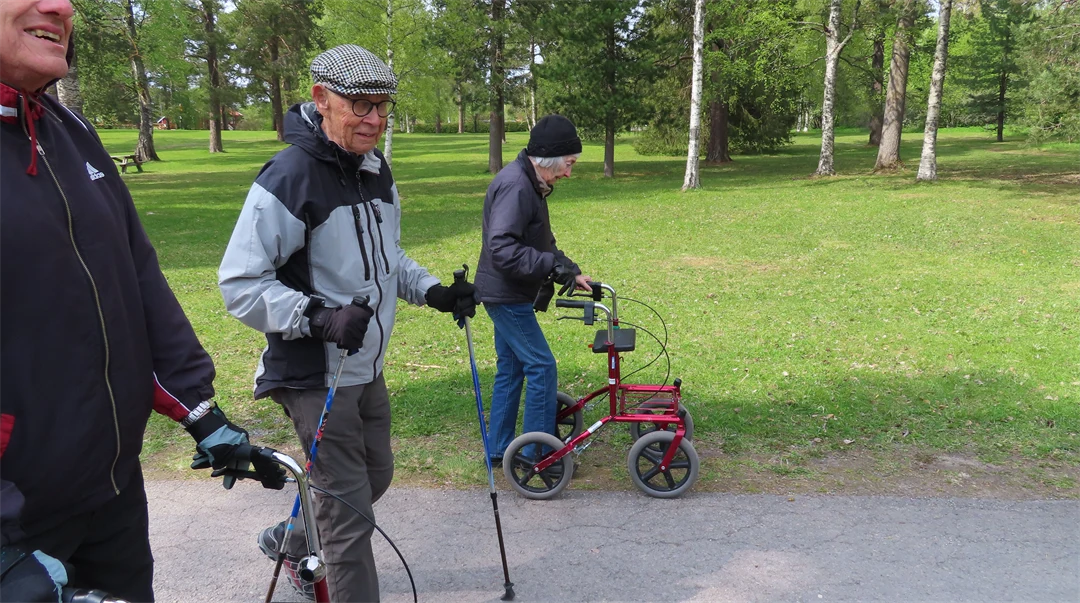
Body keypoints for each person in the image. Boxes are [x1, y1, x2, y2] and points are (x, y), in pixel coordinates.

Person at [0, 2, 281, 602]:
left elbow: (136, 280)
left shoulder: (67, 129)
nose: (62, 7)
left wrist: (198, 411)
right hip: (16, 523)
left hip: (111, 492)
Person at [218, 44, 476, 602]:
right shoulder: (290, 177)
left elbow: (389, 258)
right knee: (350, 515)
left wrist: (432, 291)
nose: (375, 120)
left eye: (382, 107)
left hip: (364, 364)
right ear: (322, 99)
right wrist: (316, 317)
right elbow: (239, 284)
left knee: (374, 476)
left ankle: (290, 539)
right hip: (315, 371)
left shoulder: (374, 169)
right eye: (361, 106)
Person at [473, 115, 592, 465]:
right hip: (506, 296)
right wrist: (549, 266)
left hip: (509, 292)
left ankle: (499, 450)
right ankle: (539, 455)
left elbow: (539, 241)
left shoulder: (531, 181)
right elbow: (502, 247)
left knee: (511, 371)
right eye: (568, 164)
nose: (569, 173)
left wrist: (569, 269)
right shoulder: (517, 186)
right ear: (550, 159)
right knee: (541, 367)